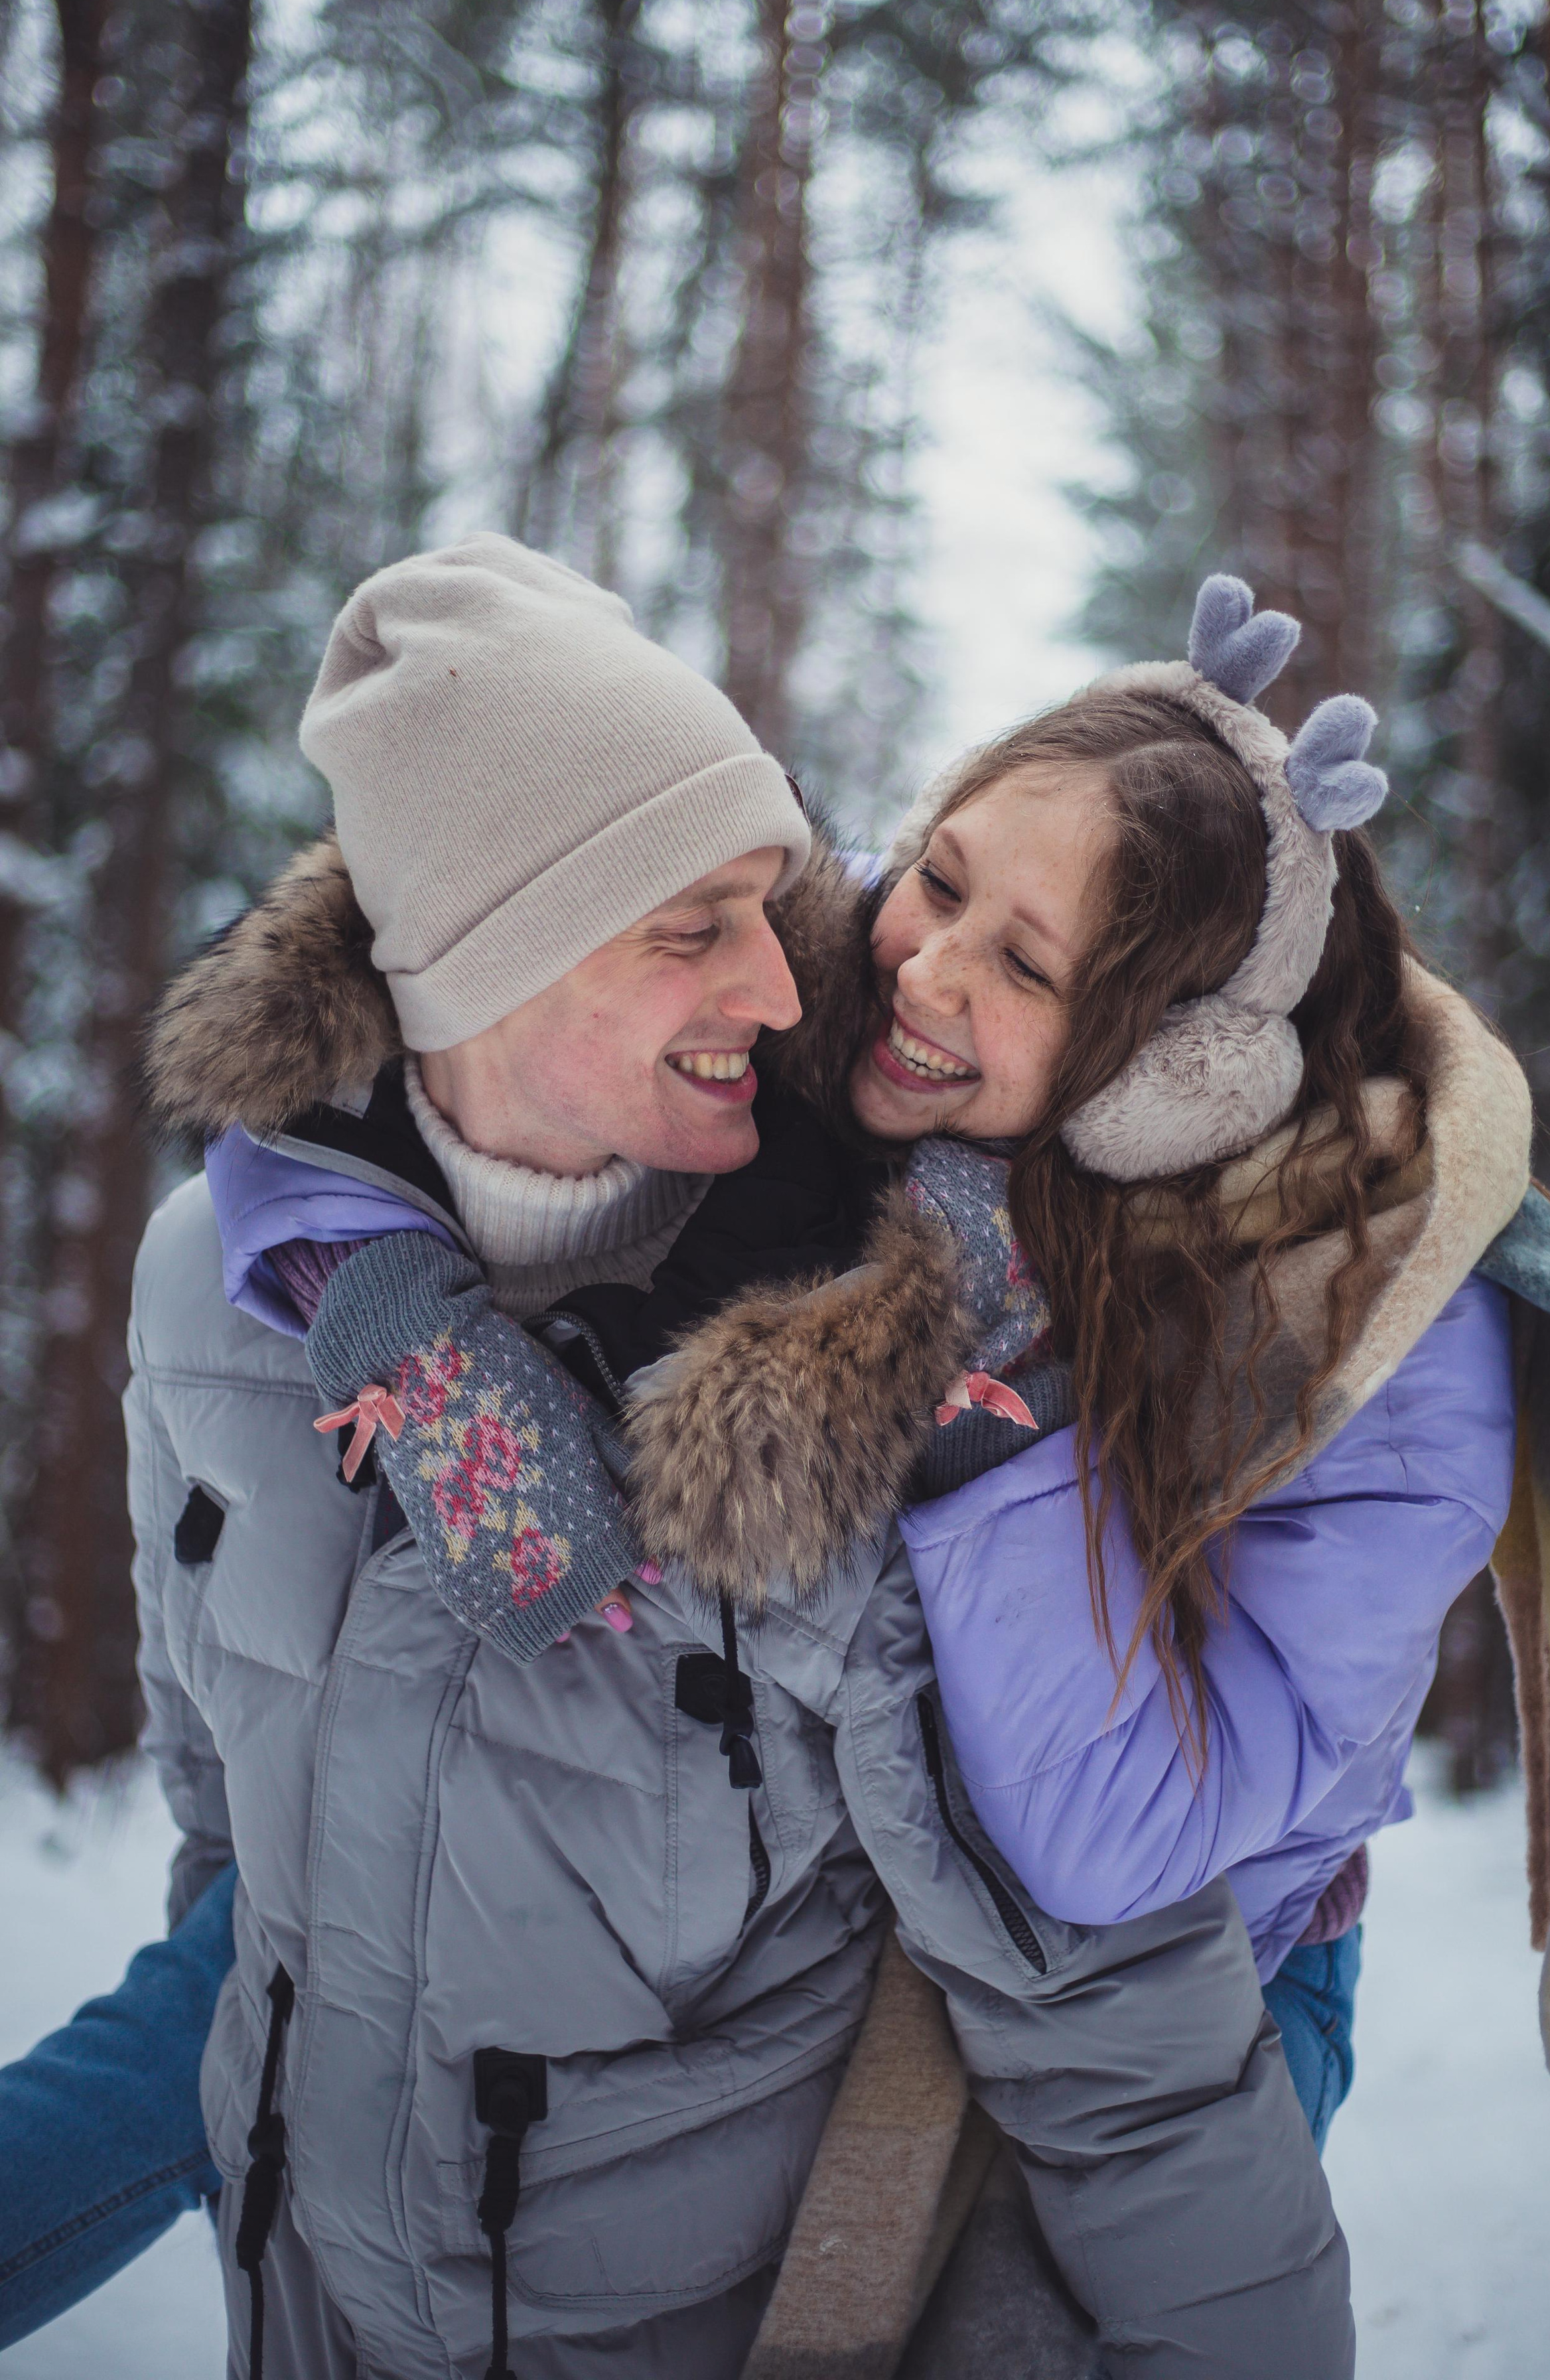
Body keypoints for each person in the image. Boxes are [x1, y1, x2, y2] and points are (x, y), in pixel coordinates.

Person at [114, 537, 1349, 2380]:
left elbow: (1114, 2027)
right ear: (477, 957)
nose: (788, 992)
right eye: (691, 927)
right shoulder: (219, 1285)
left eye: (773, 905)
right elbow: (235, 1850)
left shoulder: (887, 1409)